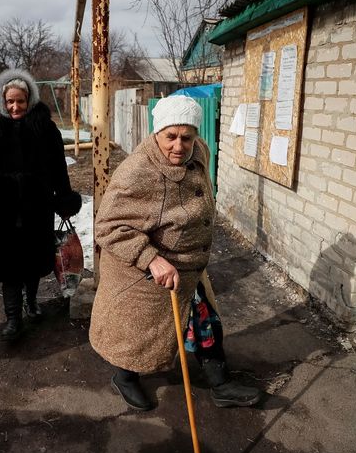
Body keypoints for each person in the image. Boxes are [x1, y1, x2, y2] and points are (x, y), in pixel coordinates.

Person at [89, 95, 261, 410]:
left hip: (189, 267)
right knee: (136, 334)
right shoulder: (138, 171)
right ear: (157, 134)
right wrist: (151, 259)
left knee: (205, 323)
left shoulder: (201, 152)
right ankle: (124, 378)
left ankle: (221, 385)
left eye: (187, 137)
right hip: (142, 273)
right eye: (171, 137)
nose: (179, 146)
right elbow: (108, 226)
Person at [0, 68, 82, 341]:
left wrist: (63, 197)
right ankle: (13, 318)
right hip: (0, 208)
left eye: (21, 101)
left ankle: (32, 302)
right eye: (10, 101)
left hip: (36, 205)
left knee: (33, 260)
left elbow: (58, 168)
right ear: (1, 100)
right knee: (8, 265)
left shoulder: (45, 127)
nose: (15, 106)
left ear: (30, 100)